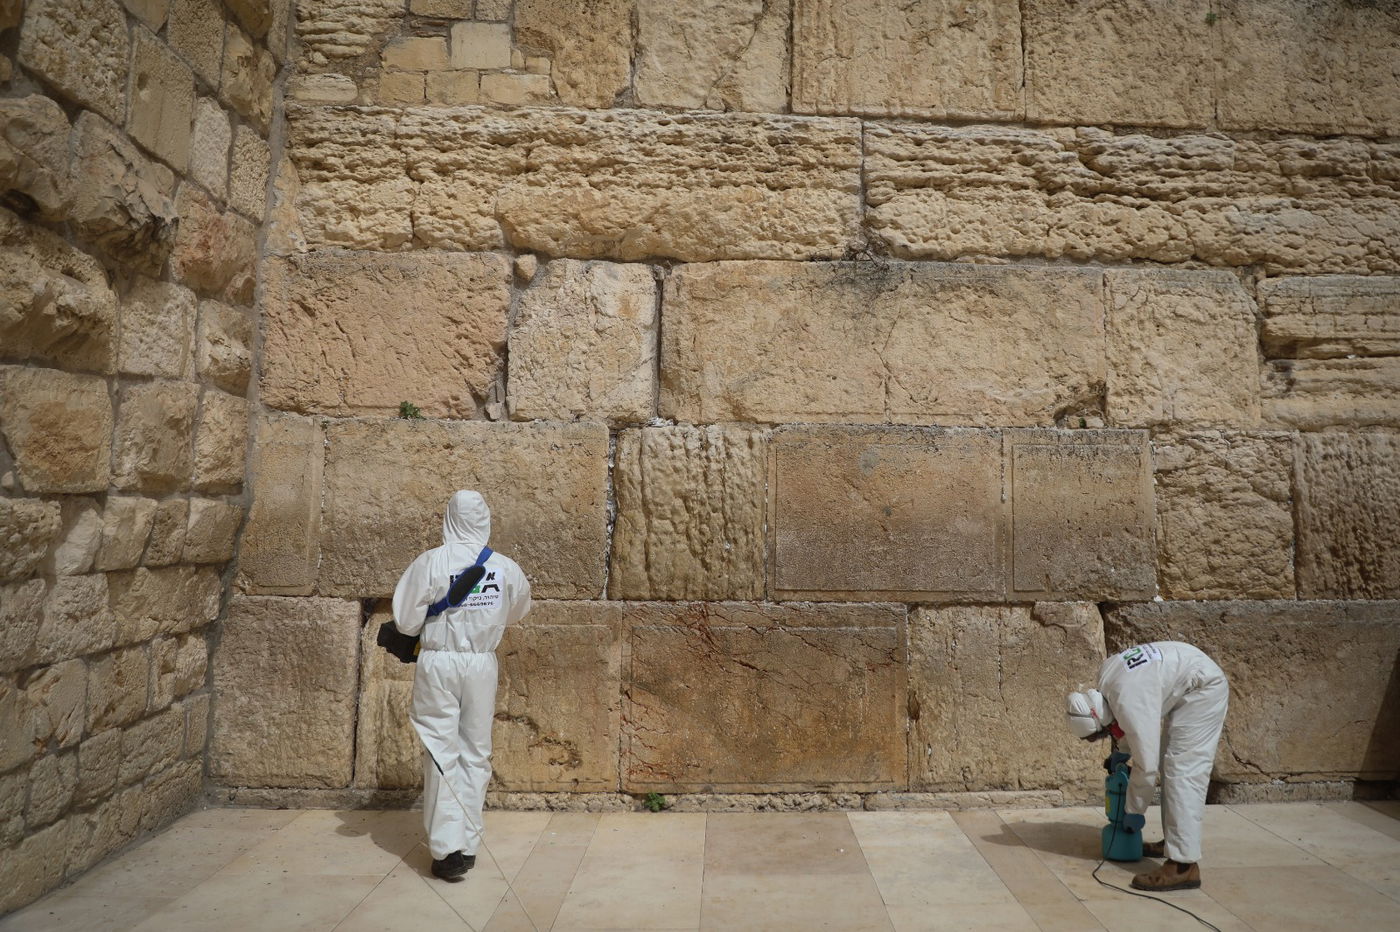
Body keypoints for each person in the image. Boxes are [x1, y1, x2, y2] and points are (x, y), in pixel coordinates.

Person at [392, 490, 532, 882]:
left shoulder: (431, 562)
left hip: (440, 661)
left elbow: (404, 621)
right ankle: (468, 844)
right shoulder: (505, 567)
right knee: (475, 752)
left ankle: (446, 848)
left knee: (441, 750)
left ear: (448, 519)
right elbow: (518, 610)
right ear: (486, 520)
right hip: (481, 664)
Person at [1065, 641, 1229, 892]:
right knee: (1171, 765)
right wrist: (1121, 752)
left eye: (1105, 733)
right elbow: (1126, 722)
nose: (1110, 734)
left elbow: (1146, 765)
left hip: (1203, 688)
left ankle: (1183, 866)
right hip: (1189, 672)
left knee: (1183, 772)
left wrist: (1134, 811)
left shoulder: (1127, 699)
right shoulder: (1107, 678)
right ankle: (1171, 843)